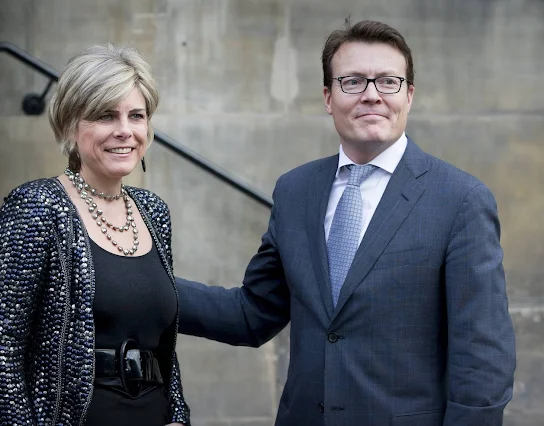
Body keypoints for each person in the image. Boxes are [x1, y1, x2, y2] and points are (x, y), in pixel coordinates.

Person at [176, 19, 516, 426]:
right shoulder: (296, 190)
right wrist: (144, 284)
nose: (371, 96)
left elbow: (483, 360)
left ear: (409, 96)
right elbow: (252, 313)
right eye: (352, 81)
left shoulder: (460, 200)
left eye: (388, 82)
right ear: (327, 96)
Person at [0, 45, 190, 426]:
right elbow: (4, 347)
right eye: (105, 115)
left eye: (136, 115)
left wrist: (179, 415)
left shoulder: (153, 212)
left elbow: (164, 346)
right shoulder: (37, 207)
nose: (125, 130)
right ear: (71, 125)